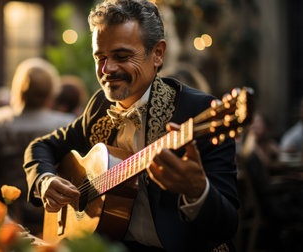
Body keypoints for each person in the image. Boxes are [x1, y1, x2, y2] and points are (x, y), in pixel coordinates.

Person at [23, 1, 238, 251]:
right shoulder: (100, 106)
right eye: (99, 57)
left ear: (157, 53)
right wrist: (45, 180)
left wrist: (198, 191)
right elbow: (41, 147)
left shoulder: (202, 112)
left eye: (122, 56)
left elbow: (227, 225)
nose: (107, 69)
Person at [0, 58, 75, 235]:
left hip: (6, 212)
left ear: (18, 88)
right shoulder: (66, 124)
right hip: (53, 214)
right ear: (51, 91)